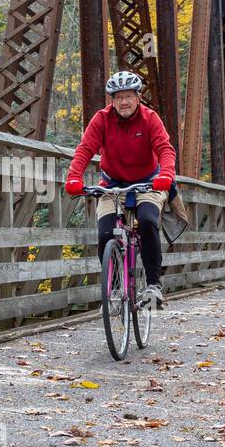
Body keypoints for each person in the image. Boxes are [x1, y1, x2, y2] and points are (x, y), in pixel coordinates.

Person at [64, 71, 176, 307]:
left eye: (128, 96)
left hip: (148, 183)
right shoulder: (102, 119)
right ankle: (114, 288)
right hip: (112, 184)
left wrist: (166, 174)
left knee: (146, 220)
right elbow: (85, 149)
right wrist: (74, 177)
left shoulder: (150, 118)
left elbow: (165, 149)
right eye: (118, 97)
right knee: (105, 234)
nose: (123, 102)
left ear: (138, 97)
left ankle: (154, 285)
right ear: (112, 101)